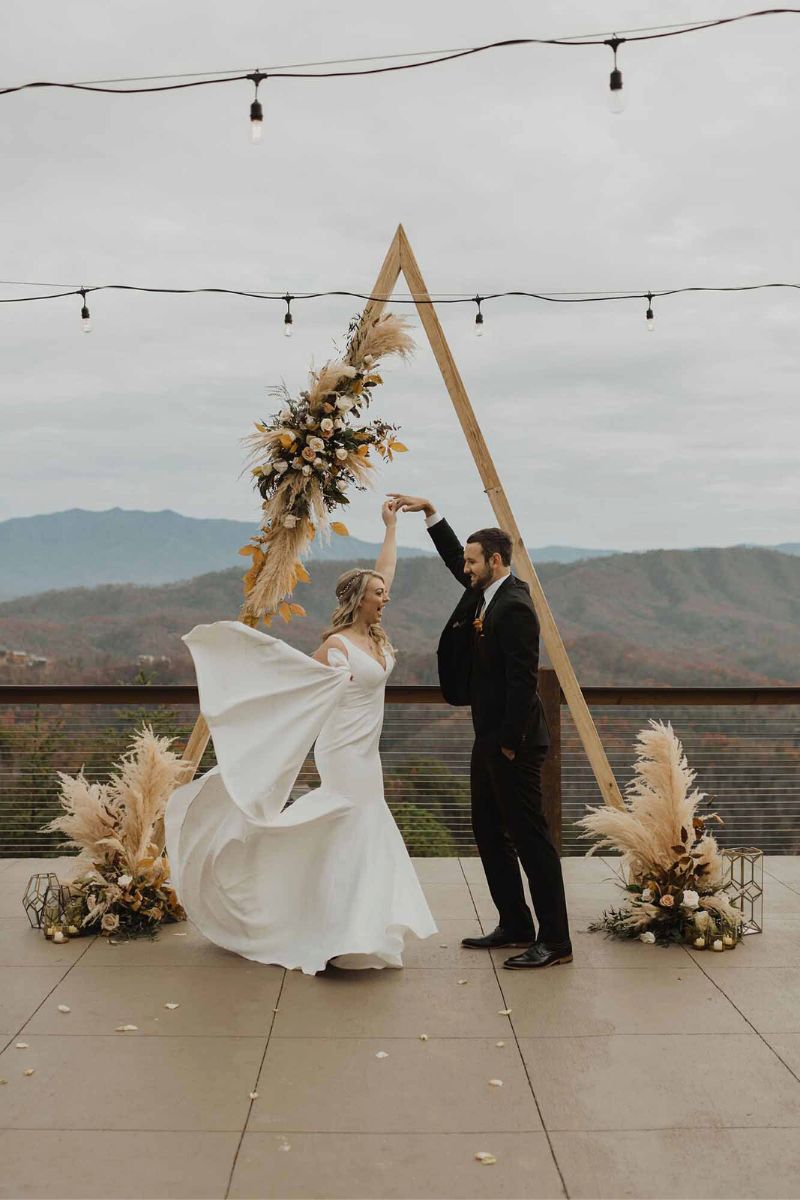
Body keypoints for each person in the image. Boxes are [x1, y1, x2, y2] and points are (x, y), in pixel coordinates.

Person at [164, 499, 438, 975]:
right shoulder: (337, 647)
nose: (385, 597)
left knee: (358, 832)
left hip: (366, 755)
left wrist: (391, 528)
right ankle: (329, 926)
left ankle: (355, 930)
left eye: (383, 593)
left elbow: (385, 572)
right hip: (342, 753)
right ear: (359, 600)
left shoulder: (375, 635)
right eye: (377, 594)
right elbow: (296, 683)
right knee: (351, 826)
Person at [388, 493, 572, 969]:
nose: (465, 568)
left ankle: (556, 941)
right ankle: (515, 923)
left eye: (473, 561)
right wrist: (431, 514)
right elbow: (455, 559)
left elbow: (522, 682)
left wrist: (509, 745)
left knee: (532, 840)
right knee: (488, 832)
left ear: (494, 561)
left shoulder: (513, 607)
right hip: (487, 739)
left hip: (514, 744)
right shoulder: (484, 591)